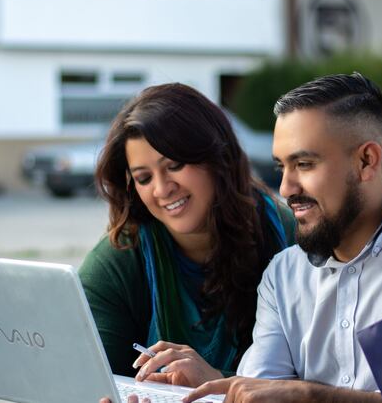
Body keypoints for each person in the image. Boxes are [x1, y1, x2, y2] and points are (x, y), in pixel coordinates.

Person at [182, 72, 382, 402]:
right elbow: (261, 394)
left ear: (366, 161)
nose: (287, 189)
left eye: (304, 164)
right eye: (282, 168)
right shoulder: (284, 275)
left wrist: (310, 396)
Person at [79, 83, 295, 385]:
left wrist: (217, 382)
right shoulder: (118, 260)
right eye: (143, 178)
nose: (162, 189)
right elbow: (94, 381)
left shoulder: (287, 237)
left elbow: (321, 380)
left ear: (217, 156)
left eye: (175, 165)